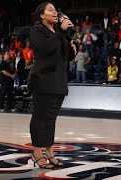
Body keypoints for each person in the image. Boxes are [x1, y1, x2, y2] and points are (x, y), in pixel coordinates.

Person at [28, 2, 75, 169]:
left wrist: (72, 50)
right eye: (51, 10)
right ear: (42, 15)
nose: (55, 12)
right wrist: (61, 32)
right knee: (40, 118)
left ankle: (50, 153)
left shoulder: (60, 32)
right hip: (42, 80)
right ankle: (36, 154)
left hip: (58, 81)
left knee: (51, 120)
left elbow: (63, 57)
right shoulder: (37, 31)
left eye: (55, 10)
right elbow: (45, 49)